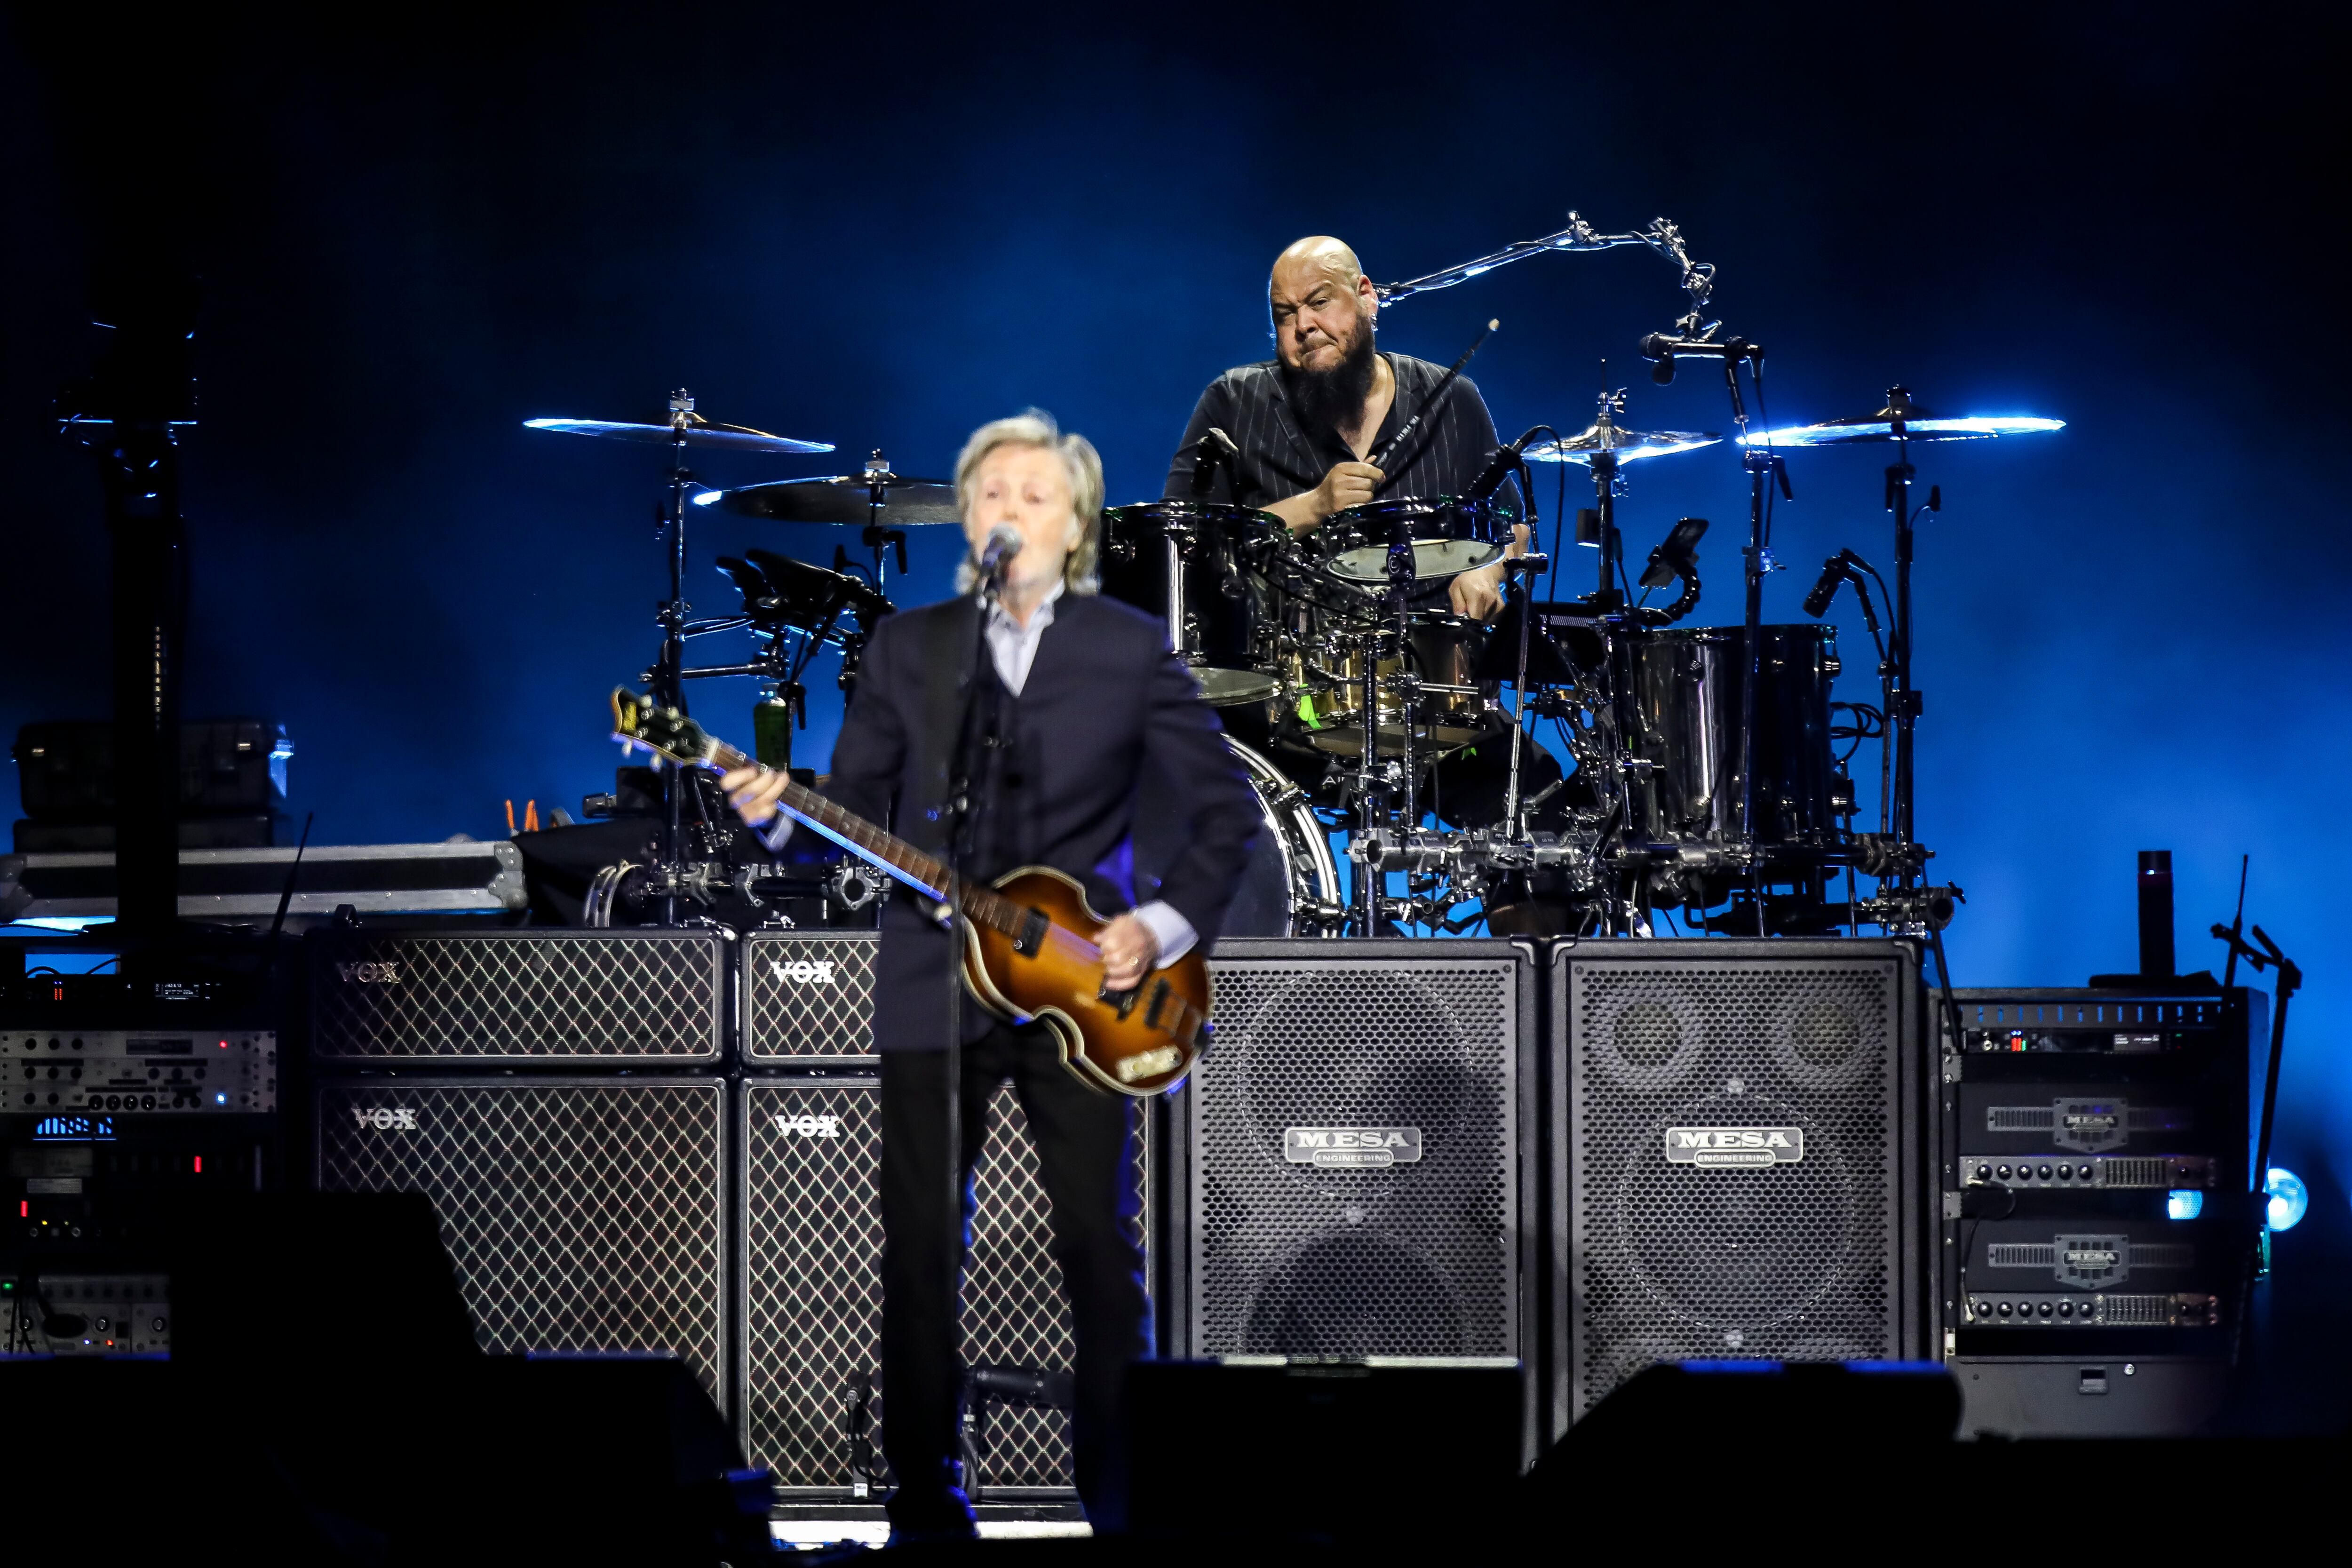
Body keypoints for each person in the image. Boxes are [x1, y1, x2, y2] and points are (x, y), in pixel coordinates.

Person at [721, 411, 1260, 1541]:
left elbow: (1221, 815)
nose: (1004, 512)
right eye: (987, 495)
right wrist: (779, 819)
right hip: (931, 976)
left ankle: (1120, 1496)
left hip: (1088, 984)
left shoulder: (1127, 648)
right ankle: (926, 1493)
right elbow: (856, 814)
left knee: (1096, 1244)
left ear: (1073, 530)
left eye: (1032, 496)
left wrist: (1156, 928)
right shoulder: (907, 650)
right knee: (918, 1237)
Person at [1163, 234, 1526, 621]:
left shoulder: (1453, 400)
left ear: (1366, 296)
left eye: (1320, 302)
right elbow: (1179, 544)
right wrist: (1314, 506)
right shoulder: (1233, 402)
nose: (1304, 325)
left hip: (1437, 668)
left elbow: (1513, 526)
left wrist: (1485, 572)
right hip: (1287, 669)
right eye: (1285, 314)